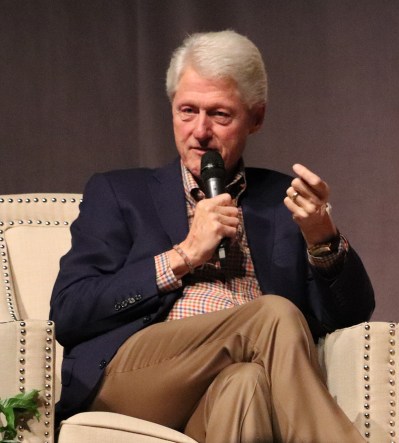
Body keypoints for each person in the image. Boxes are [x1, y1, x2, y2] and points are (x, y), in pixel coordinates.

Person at [50, 30, 374, 443]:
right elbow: (70, 311)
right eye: (187, 111)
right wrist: (182, 255)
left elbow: (351, 314)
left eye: (220, 115)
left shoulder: (281, 200)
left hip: (228, 381)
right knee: (271, 315)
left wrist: (321, 239)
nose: (200, 131)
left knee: (246, 385)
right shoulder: (120, 193)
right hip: (133, 375)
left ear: (256, 118)